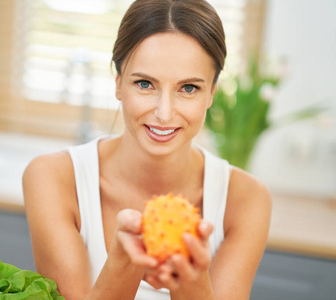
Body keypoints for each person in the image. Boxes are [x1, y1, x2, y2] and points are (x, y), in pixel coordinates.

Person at [22, 0, 272, 299]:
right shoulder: (53, 178)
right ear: (118, 83)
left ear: (211, 93)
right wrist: (122, 264)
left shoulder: (246, 200)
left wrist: (192, 283)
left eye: (189, 88)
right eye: (144, 84)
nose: (164, 114)